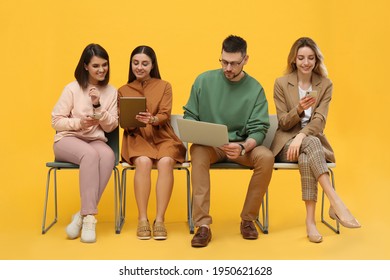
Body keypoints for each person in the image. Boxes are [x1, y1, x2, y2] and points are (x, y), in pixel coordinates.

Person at [183, 35, 274, 248]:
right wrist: (200, 132)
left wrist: (243, 146)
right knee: (197, 152)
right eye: (224, 62)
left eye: (234, 63)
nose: (228, 68)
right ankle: (202, 225)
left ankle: (248, 219)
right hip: (211, 146)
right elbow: (189, 116)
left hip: (242, 147)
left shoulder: (255, 89)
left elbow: (259, 128)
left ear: (246, 59)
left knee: (267, 157)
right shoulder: (203, 81)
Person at [270, 37, 360, 243]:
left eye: (311, 58)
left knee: (308, 152)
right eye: (301, 57)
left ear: (317, 60)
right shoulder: (281, 83)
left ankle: (310, 222)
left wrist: (302, 136)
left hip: (310, 145)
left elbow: (320, 120)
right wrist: (300, 108)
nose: (306, 62)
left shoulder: (325, 84)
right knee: (311, 145)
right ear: (294, 59)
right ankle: (335, 201)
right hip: (286, 145)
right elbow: (283, 122)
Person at [51, 43, 118, 243]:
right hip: (68, 139)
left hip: (95, 139)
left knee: (107, 155)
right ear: (86, 66)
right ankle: (90, 219)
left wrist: (98, 105)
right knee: (89, 155)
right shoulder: (72, 89)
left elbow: (111, 126)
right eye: (96, 66)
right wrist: (79, 123)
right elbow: (56, 121)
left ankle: (82, 214)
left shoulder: (111, 92)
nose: (102, 70)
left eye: (104, 65)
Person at [118, 46, 186, 240]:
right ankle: (142, 219)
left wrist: (153, 119)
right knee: (143, 162)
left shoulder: (165, 86)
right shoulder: (122, 90)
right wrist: (130, 120)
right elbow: (123, 121)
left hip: (162, 134)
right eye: (136, 63)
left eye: (144, 63)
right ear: (131, 64)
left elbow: (165, 114)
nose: (139, 67)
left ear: (152, 65)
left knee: (166, 162)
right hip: (137, 136)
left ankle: (160, 220)